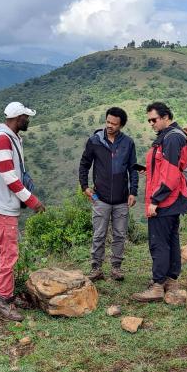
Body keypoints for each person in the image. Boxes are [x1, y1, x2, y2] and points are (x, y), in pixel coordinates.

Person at [131, 102, 187, 303]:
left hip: (166, 200)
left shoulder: (171, 139)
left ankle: (157, 285)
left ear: (166, 117)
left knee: (158, 241)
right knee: (171, 239)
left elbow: (170, 175)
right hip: (173, 198)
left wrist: (155, 200)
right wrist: (150, 169)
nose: (151, 124)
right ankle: (171, 279)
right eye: (149, 120)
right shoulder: (174, 136)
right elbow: (168, 167)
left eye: (154, 119)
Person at [0, 101, 45, 321]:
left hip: (4, 205)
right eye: (25, 117)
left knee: (4, 251)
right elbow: (9, 177)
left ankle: (4, 292)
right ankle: (5, 300)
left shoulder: (10, 138)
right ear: (17, 118)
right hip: (3, 206)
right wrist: (32, 201)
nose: (28, 120)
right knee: (8, 253)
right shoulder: (2, 140)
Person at [78, 107, 138, 281]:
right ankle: (96, 268)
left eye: (114, 123)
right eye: (108, 121)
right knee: (99, 234)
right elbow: (84, 164)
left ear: (121, 125)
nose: (110, 125)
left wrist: (133, 192)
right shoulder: (95, 141)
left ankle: (116, 268)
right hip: (100, 198)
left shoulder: (128, 143)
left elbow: (133, 169)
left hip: (121, 199)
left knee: (120, 234)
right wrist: (84, 186)